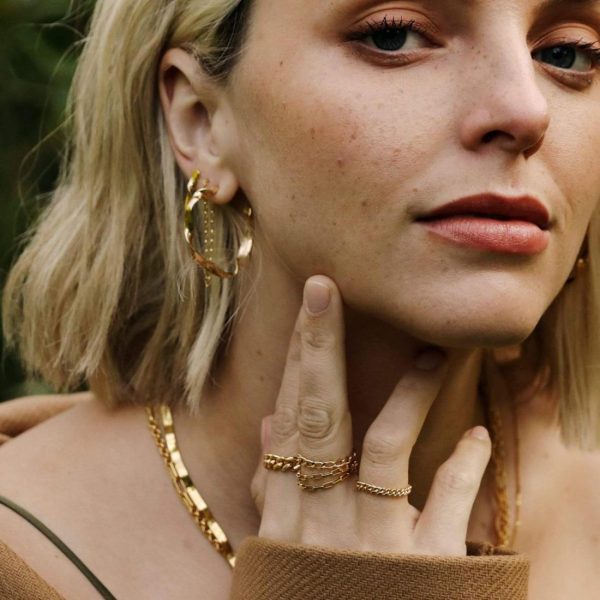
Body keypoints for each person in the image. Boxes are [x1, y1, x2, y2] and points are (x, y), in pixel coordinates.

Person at [1, 0, 599, 597]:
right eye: (394, 36)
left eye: (567, 53)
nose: (527, 111)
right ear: (201, 121)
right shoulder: (28, 555)